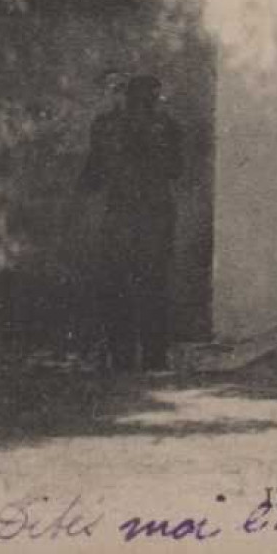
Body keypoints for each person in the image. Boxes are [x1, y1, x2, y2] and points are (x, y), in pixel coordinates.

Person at [78, 75, 183, 372]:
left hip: (134, 213)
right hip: (146, 213)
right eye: (150, 96)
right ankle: (149, 358)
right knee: (146, 284)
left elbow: (92, 176)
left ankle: (131, 358)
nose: (150, 102)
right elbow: (177, 169)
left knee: (126, 284)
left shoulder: (108, 125)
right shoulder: (165, 126)